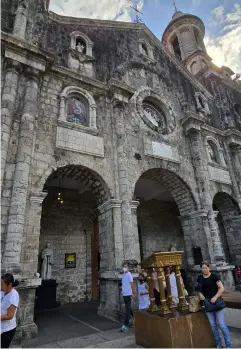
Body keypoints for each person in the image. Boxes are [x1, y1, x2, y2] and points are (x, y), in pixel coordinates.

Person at [197, 261, 232, 349]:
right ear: (201, 268)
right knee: (213, 325)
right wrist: (200, 294)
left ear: (209, 268)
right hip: (207, 303)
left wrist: (215, 297)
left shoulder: (214, 276)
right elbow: (199, 289)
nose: (204, 269)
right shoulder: (199, 278)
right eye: (203, 268)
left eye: (206, 267)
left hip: (216, 302)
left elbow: (222, 288)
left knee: (222, 324)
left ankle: (228, 345)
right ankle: (219, 344)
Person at [1, 273, 20, 348]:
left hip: (7, 330)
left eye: (2, 285)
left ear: (10, 285)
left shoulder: (13, 297)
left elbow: (9, 316)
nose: (0, 287)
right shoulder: (3, 291)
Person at [121, 262, 136, 332]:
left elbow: (132, 284)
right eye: (123, 266)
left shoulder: (129, 274)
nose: (124, 268)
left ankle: (125, 325)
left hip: (128, 294)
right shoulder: (123, 274)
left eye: (126, 266)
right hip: (124, 294)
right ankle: (135, 318)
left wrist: (133, 293)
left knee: (127, 310)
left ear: (128, 267)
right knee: (129, 308)